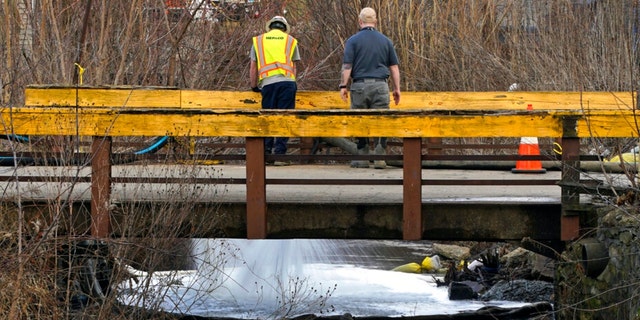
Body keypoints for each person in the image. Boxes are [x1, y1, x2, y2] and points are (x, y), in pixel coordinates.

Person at [339, 7, 401, 169]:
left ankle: (362, 158)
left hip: (359, 86)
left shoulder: (353, 41)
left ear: (360, 22)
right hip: (381, 85)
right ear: (375, 22)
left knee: (360, 120)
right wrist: (397, 89)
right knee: (381, 120)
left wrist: (343, 85)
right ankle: (380, 158)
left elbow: (347, 66)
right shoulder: (386, 41)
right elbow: (394, 67)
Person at [249, 15, 300, 166]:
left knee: (268, 117)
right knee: (284, 118)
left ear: (270, 26)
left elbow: (253, 66)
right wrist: (292, 83)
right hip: (287, 83)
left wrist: (253, 86)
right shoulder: (291, 41)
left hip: (268, 84)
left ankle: (266, 154)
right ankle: (280, 155)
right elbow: (294, 67)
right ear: (284, 28)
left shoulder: (258, 41)